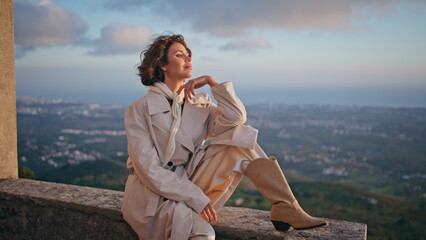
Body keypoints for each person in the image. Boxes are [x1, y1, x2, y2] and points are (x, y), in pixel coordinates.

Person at [121, 34, 327, 240]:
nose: (188, 59)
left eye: (189, 55)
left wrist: (212, 83)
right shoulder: (139, 109)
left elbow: (236, 118)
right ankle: (285, 209)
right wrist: (197, 199)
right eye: (179, 55)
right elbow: (148, 169)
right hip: (152, 195)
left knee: (241, 137)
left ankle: (286, 208)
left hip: (190, 178)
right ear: (162, 64)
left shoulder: (197, 103)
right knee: (203, 234)